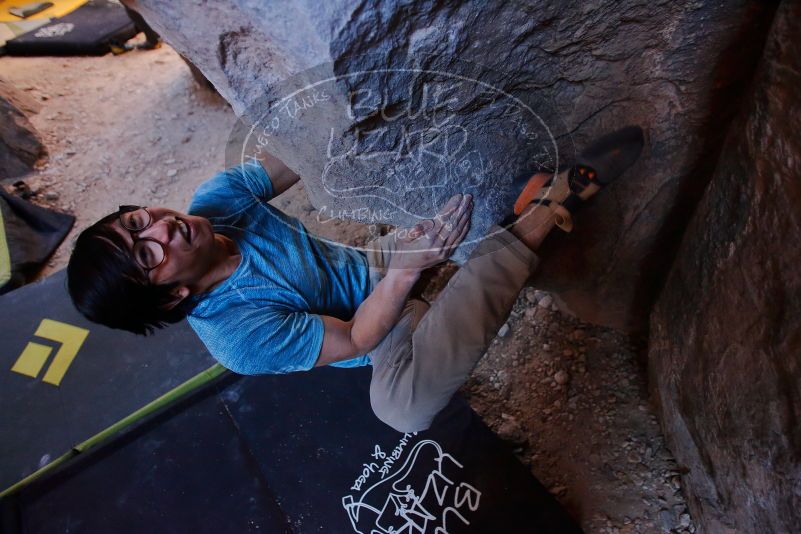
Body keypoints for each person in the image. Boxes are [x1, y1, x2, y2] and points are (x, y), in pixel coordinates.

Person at [66, 127, 643, 432]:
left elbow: (304, 151)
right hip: (374, 326)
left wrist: (350, 107)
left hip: (368, 263)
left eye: (140, 221)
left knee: (433, 232)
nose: (163, 230)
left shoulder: (215, 202)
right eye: (148, 254)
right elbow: (356, 339)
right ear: (173, 295)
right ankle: (540, 216)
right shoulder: (237, 339)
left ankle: (509, 224)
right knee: (402, 409)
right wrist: (407, 272)